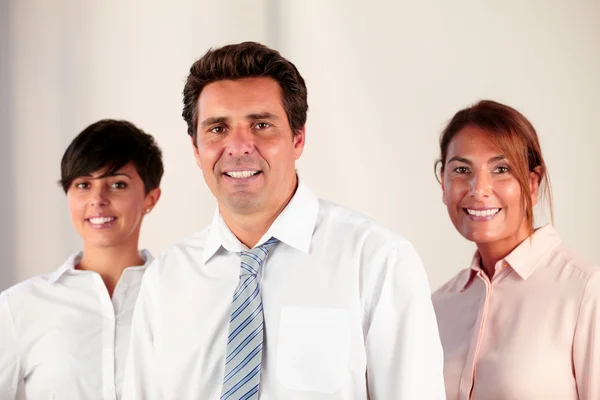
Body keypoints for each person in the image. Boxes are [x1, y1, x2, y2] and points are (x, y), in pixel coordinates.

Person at [122, 41, 445, 399]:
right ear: (196, 150)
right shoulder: (165, 280)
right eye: (218, 129)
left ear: (298, 139)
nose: (239, 146)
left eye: (261, 125)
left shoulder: (377, 261)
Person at [432, 100, 600, 399]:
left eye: (501, 169)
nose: (478, 188)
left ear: (533, 185)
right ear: (443, 183)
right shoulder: (439, 305)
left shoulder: (585, 290)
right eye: (461, 169)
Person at [0, 119, 163, 399]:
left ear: (150, 198)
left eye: (118, 184)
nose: (97, 199)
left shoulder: (179, 297)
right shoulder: (19, 307)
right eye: (83, 184)